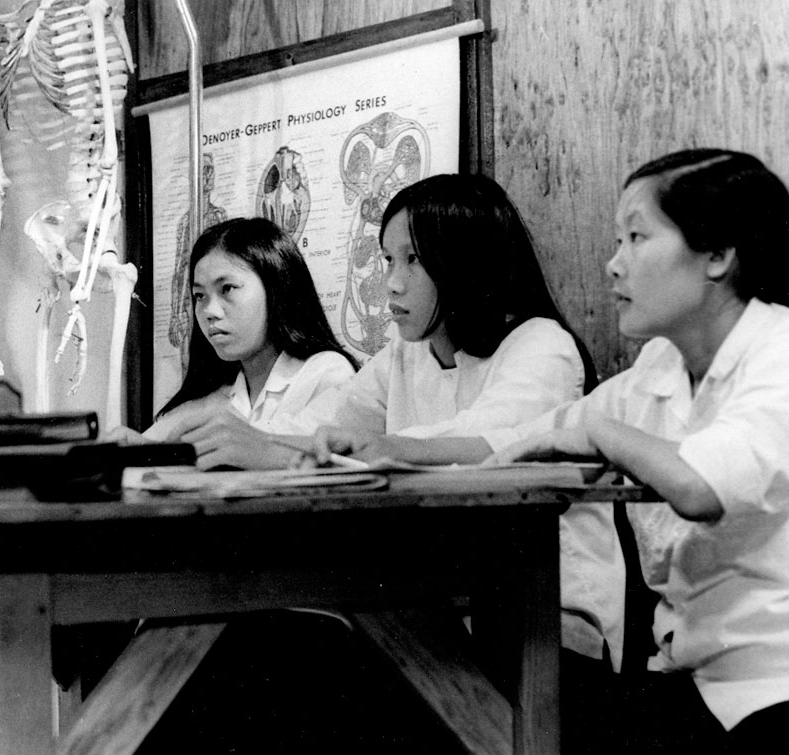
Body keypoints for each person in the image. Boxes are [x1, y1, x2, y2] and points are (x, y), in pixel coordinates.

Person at [143, 175, 618, 752]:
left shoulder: (540, 344)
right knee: (246, 656)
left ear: (465, 260)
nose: (391, 281)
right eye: (388, 258)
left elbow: (491, 441)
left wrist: (328, 450)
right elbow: (329, 435)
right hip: (434, 613)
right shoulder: (405, 353)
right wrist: (241, 446)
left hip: (543, 620)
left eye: (412, 260)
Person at [474, 149, 789, 753]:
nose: (614, 264)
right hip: (690, 684)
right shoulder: (661, 364)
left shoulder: (779, 354)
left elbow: (698, 485)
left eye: (636, 237)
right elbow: (538, 432)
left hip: (771, 690)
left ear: (718, 256)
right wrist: (384, 452)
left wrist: (599, 434)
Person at [126, 216, 358, 460]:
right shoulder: (212, 398)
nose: (209, 312)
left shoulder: (326, 375)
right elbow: (143, 449)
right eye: (199, 296)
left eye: (227, 288)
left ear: (276, 287)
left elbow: (322, 466)